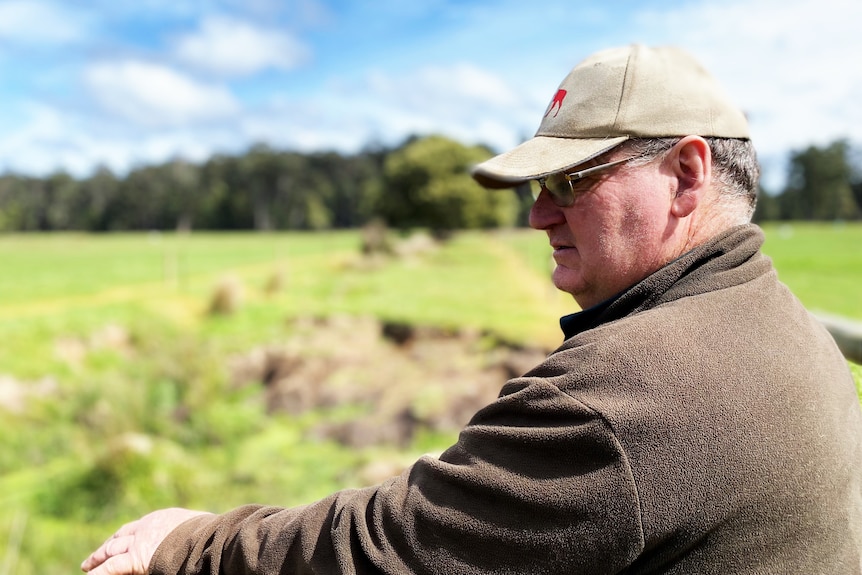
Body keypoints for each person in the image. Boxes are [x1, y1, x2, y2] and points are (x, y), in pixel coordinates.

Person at [82, 44, 862, 575]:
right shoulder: (782, 321)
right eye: (536, 189)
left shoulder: (623, 396)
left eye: (571, 182)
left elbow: (392, 547)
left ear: (687, 173)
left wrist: (186, 540)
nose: (538, 217)